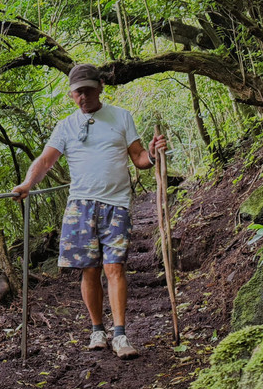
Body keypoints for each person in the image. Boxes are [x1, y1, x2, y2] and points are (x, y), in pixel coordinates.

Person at [12, 63, 167, 359]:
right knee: (90, 270)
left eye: (87, 90)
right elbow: (45, 161)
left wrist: (154, 152)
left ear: (100, 88)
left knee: (115, 267)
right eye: (77, 92)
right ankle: (98, 329)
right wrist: (28, 183)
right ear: (71, 95)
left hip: (116, 204)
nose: (83, 96)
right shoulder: (66, 126)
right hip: (80, 206)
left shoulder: (121, 117)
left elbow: (139, 158)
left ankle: (120, 335)